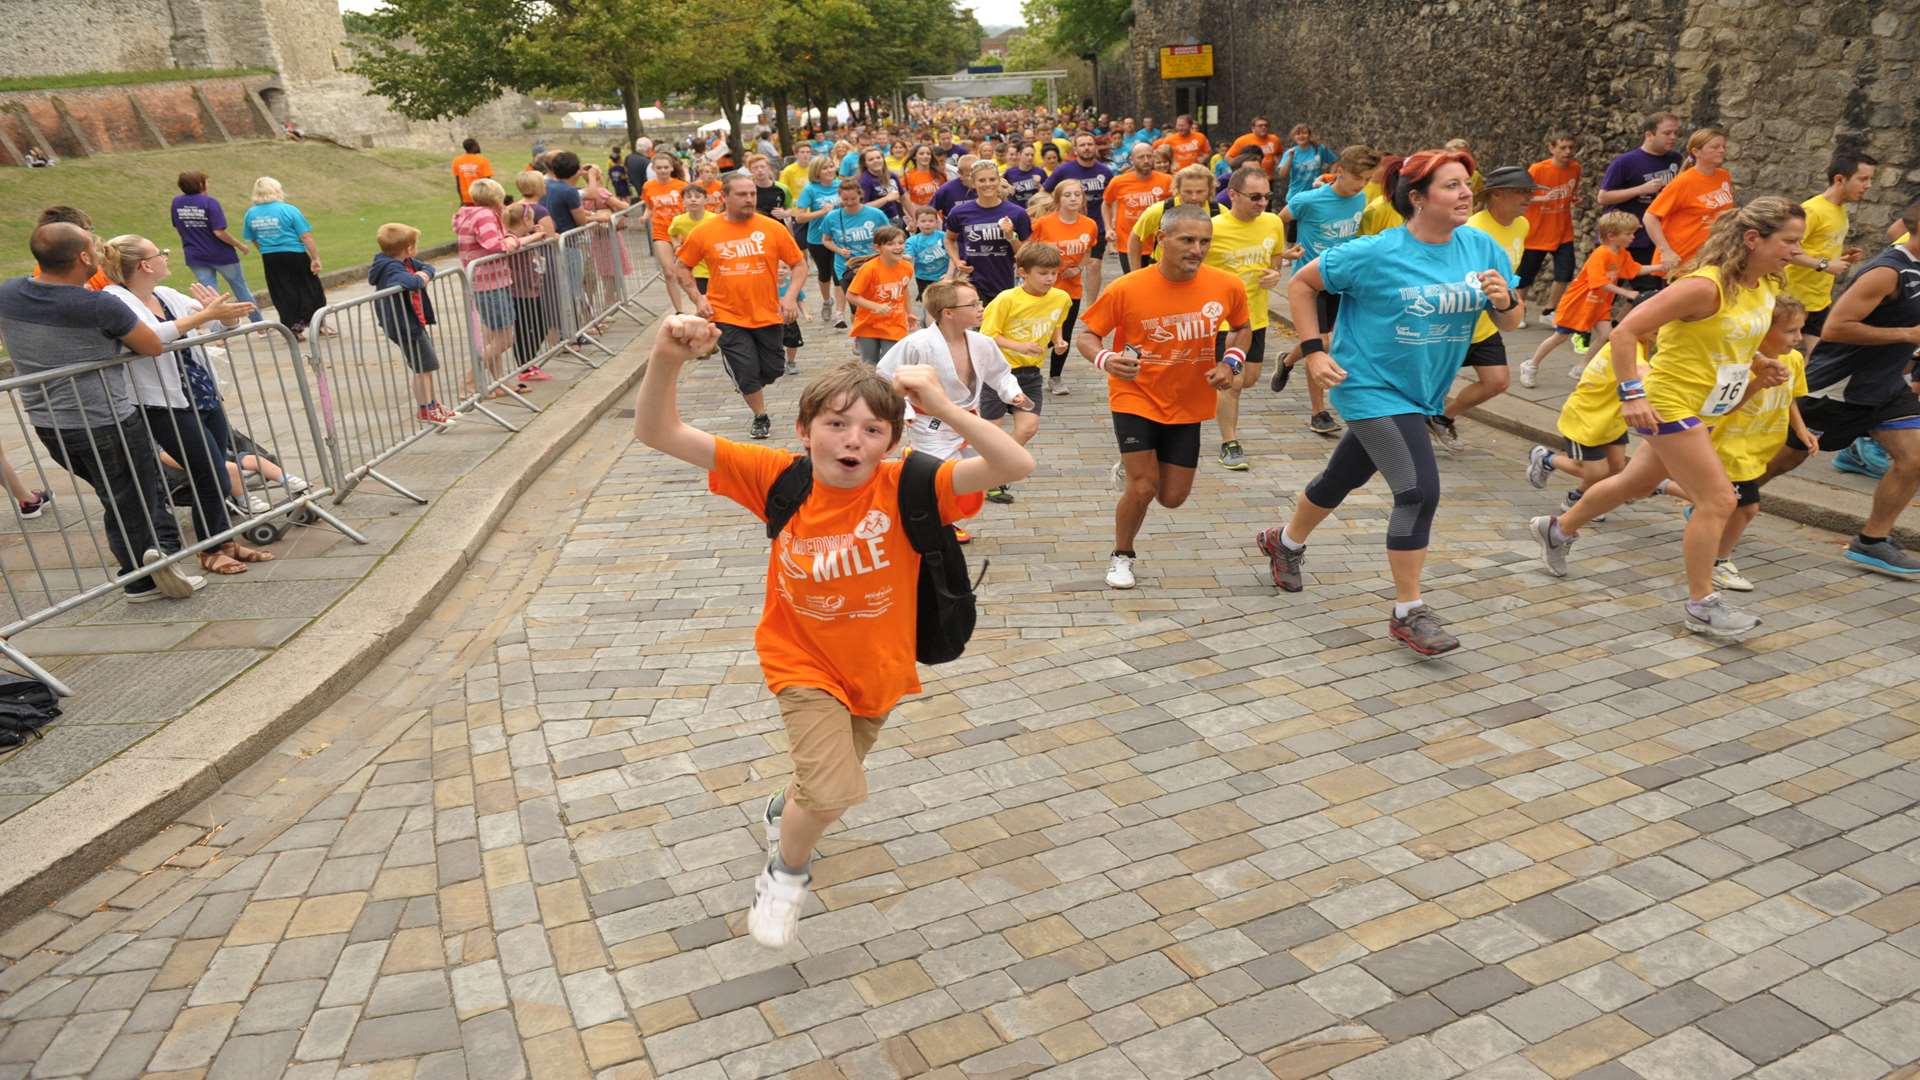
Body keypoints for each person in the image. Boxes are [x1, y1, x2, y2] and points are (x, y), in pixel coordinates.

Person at [632, 315, 1030, 949]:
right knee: (833, 788)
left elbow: (1014, 463)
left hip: (879, 667)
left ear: (892, 441)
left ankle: (778, 813)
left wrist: (944, 408)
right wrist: (666, 355)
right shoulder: (777, 478)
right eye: (836, 424)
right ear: (805, 430)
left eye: (873, 429)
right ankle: (785, 875)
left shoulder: (910, 484)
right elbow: (657, 432)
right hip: (800, 661)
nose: (853, 440)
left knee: (821, 791)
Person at [1255, 149, 1521, 656]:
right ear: (1417, 198)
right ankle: (1408, 612)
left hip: (1421, 388)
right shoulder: (1374, 252)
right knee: (1418, 491)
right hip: (1368, 385)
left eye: (1467, 183)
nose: (1466, 192)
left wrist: (1505, 301)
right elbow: (1303, 284)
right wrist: (1312, 352)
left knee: (1343, 476)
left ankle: (1283, 542)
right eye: (1451, 185)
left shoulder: (1482, 248)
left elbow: (1509, 322)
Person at [1529, 197, 1805, 637]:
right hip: (1668, 401)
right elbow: (1626, 332)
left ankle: (1557, 529)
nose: (1796, 251)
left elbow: (1734, 336)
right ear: (1753, 239)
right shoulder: (1704, 286)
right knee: (1719, 499)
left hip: (1706, 404)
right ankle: (1702, 603)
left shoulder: (1765, 285)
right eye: (1788, 241)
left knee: (1634, 484)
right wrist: (1632, 393)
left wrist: (1757, 363)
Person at [0, 223, 203, 600]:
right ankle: (142, 578)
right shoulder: (98, 305)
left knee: (120, 495)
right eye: (93, 247)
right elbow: (150, 345)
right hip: (104, 419)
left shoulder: (9, 293)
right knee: (131, 498)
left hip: (49, 423)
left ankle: (155, 562)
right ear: (84, 257)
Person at [1077, 204, 1250, 590]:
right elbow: (1087, 335)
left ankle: (1136, 470)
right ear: (1161, 240)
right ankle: (1122, 555)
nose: (1197, 248)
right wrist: (1106, 359)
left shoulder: (1226, 285)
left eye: (1204, 241)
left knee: (1172, 498)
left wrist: (1230, 362)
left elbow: (1242, 327)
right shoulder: (1127, 287)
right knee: (1143, 487)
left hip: (1188, 399)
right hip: (1134, 394)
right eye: (1187, 239)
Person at [98, 234, 273, 576]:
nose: (167, 256)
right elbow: (152, 337)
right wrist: (204, 316)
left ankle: (225, 540)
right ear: (145, 265)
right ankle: (210, 549)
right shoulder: (115, 299)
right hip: (163, 402)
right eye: (160, 252)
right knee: (209, 471)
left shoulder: (164, 294)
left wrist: (227, 317)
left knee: (218, 466)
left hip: (201, 393)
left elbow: (211, 322)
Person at [1767, 204, 1920, 577]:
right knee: (1788, 457)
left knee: (1915, 458)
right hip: (1839, 387)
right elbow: (1835, 328)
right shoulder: (1888, 272)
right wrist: (1906, 336)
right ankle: (1726, 498)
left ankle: (1872, 541)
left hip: (1884, 387)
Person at [671, 173, 807, 440]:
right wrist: (699, 298)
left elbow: (799, 263)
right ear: (724, 197)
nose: (749, 199)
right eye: (742, 195)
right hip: (726, 314)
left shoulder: (772, 228)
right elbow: (682, 266)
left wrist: (790, 296)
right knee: (746, 371)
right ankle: (760, 415)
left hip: (768, 313)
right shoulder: (705, 232)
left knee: (774, 368)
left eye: (752, 194)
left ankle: (748, 383)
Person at [1700, 298, 1811, 591]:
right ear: (1761, 330)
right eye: (1790, 331)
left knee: (1729, 505)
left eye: (1800, 330)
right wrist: (1756, 383)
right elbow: (1724, 408)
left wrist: (1801, 430)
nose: (1798, 338)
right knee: (1748, 508)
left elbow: (1790, 399)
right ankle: (1718, 562)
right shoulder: (1740, 365)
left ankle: (1690, 509)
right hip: (1729, 448)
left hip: (1760, 447)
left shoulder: (1794, 360)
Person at [1272, 147, 1378, 437]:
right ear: (1340, 171)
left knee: (1327, 342)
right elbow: (1276, 219)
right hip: (1312, 282)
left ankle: (1287, 360)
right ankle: (1318, 412)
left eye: (1368, 179)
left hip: (1344, 281)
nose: (1362, 185)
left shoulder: (1360, 198)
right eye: (1358, 177)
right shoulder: (1309, 199)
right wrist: (1282, 251)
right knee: (1320, 343)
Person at [1428, 165, 1534, 449]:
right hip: (1454, 324)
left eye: (1531, 192)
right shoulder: (1470, 228)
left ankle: (1442, 418)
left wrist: (1510, 301)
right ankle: (1403, 435)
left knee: (1497, 382)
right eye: (1522, 192)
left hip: (1487, 324)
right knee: (1428, 388)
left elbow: (1509, 274)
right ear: (1497, 194)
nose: (1530, 198)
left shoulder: (1523, 225)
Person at [1201, 166, 1289, 470]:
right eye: (1255, 197)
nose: (1262, 202)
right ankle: (1230, 443)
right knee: (1232, 384)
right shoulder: (1212, 228)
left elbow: (1276, 255)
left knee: (1247, 380)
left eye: (1267, 196)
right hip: (1224, 322)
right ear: (1234, 195)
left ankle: (1206, 383)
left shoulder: (1273, 223)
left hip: (1257, 317)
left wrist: (1275, 273)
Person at [977, 242, 1068, 501]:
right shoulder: (1006, 299)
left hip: (1029, 374)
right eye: (1042, 273)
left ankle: (996, 471)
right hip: (998, 372)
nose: (1049, 278)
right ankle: (987, 475)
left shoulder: (1060, 298)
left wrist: (1059, 341)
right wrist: (1020, 346)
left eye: (1053, 273)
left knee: (1028, 427)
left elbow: (1056, 322)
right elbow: (987, 335)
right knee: (991, 429)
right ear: (1023, 272)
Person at [1520, 212, 1653, 388]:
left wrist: (1662, 266)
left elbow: (1635, 269)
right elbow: (1599, 281)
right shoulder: (1601, 254)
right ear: (1612, 236)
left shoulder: (1622, 254)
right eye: (1628, 234)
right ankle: (1531, 365)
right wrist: (1626, 293)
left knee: (1606, 335)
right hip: (1579, 303)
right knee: (1560, 336)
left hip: (1599, 304)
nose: (1633, 237)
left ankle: (1581, 367)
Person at [1782, 152, 1875, 354]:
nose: (1868, 185)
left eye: (1870, 179)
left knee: (1815, 358)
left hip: (1818, 300)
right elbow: (1787, 251)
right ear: (1839, 179)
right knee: (1784, 354)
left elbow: (1815, 250)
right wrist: (1826, 265)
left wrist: (1841, 259)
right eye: (1863, 179)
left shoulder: (1840, 210)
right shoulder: (1812, 210)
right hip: (1792, 297)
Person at [369, 223, 457, 425]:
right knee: (422, 367)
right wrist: (421, 278)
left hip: (413, 321)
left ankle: (433, 404)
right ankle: (425, 408)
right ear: (408, 248)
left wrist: (423, 274)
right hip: (404, 325)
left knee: (427, 365)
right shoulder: (391, 267)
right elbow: (412, 282)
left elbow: (426, 267)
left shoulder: (404, 261)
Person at [1598, 111, 1683, 298]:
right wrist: (1640, 189)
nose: (1673, 137)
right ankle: (1574, 326)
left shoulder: (1675, 160)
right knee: (1602, 293)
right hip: (1621, 238)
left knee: (1650, 294)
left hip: (1651, 238)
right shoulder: (1625, 162)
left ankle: (1618, 325)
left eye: (1676, 133)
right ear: (1649, 135)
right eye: (1667, 133)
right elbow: (1603, 197)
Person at [454, 178, 525, 399]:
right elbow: (496, 244)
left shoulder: (477, 214)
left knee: (494, 336)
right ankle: (470, 378)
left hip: (489, 280)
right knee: (504, 338)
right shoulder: (484, 216)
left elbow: (502, 236)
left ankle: (499, 382)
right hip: (489, 281)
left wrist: (510, 237)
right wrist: (512, 242)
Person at [1030, 179, 1099, 397]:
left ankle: (1055, 377)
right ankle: (1024, 367)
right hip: (1043, 289)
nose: (1073, 199)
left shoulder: (1089, 224)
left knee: (1064, 334)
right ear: (1058, 199)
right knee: (1042, 332)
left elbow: (1088, 250)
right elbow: (1028, 248)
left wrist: (1078, 267)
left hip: (1071, 288)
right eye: (1068, 195)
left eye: (1077, 194)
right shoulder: (1044, 223)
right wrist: (1046, 265)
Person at [171, 171, 262, 323]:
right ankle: (259, 324)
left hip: (195, 255)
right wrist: (239, 245)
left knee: (211, 297)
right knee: (240, 289)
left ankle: (219, 331)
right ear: (200, 184)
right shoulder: (209, 202)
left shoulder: (176, 202)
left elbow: (178, 226)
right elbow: (219, 232)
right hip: (222, 254)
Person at [242, 177, 327, 338]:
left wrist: (265, 249)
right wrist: (315, 258)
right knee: (310, 289)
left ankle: (293, 327)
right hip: (294, 254)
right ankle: (317, 323)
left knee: (282, 292)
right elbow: (305, 236)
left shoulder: (251, 213)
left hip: (270, 257)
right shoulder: (288, 210)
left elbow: (252, 237)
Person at [1644, 128, 1734, 272]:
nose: (1722, 150)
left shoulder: (1723, 176)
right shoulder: (1683, 182)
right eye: (1715, 147)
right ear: (1696, 152)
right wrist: (1666, 251)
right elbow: (1649, 217)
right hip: (1683, 260)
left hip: (1713, 257)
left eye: (1723, 146)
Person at [945, 162, 1031, 305]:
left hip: (1004, 280)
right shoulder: (960, 212)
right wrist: (956, 261)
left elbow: (1025, 254)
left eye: (992, 179)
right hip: (972, 281)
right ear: (973, 183)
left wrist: (1011, 236)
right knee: (978, 324)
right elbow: (949, 239)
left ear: (999, 180)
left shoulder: (1017, 213)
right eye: (982, 180)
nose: (987, 184)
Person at [1517, 133, 1582, 321]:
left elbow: (1571, 191)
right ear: (1551, 148)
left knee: (1565, 272)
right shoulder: (1537, 169)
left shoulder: (1575, 168)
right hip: (1536, 232)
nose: (1568, 152)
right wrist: (1543, 198)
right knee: (1525, 276)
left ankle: (1549, 311)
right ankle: (1519, 311)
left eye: (1571, 147)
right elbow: (1522, 197)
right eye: (1563, 147)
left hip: (1563, 231)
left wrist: (1574, 198)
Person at [1043, 133, 1113, 301]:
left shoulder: (1105, 171)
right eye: (1082, 145)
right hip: (1067, 226)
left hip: (1096, 226)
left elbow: (1111, 200)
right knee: (1066, 267)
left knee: (1094, 265)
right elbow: (1044, 192)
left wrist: (1112, 223)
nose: (1087, 148)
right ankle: (1060, 300)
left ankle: (1091, 306)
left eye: (1090, 144)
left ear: (1095, 147)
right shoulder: (1064, 170)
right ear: (1075, 149)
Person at [820, 179, 890, 326]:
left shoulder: (876, 214)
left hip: (873, 264)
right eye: (845, 199)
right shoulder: (832, 217)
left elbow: (889, 236)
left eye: (853, 198)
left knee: (876, 302)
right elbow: (826, 240)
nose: (850, 202)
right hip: (847, 268)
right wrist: (839, 250)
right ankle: (859, 337)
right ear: (839, 197)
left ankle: (878, 331)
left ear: (860, 195)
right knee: (856, 308)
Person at [845, 226, 915, 364]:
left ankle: (888, 385)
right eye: (890, 244)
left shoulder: (907, 267)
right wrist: (876, 306)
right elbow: (851, 295)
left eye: (900, 243)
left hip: (895, 323)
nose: (897, 247)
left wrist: (909, 313)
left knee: (890, 363)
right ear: (878, 248)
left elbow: (904, 290)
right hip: (869, 324)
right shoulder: (869, 269)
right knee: (870, 365)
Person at [1128, 165, 1216, 271]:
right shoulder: (1160, 210)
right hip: (1163, 273)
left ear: (1210, 190)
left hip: (1204, 273)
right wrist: (1135, 272)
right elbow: (1135, 238)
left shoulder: (1218, 212)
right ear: (1177, 189)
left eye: (1200, 192)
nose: (1194, 197)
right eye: (1187, 192)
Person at [1103, 150, 1171, 274]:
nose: (1146, 160)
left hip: (1159, 244)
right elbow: (1106, 203)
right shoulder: (1118, 182)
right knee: (1133, 283)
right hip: (1127, 243)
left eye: (1149, 156)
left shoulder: (1167, 181)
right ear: (1132, 160)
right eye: (1141, 157)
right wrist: (1108, 228)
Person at [793, 156, 843, 324]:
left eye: (831, 167)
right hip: (817, 239)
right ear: (817, 172)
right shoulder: (810, 190)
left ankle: (839, 313)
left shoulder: (840, 186)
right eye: (824, 168)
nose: (829, 170)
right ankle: (827, 301)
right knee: (824, 274)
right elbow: (799, 217)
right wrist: (821, 212)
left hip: (839, 237)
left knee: (838, 274)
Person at [1275, 125, 1335, 211]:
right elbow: (1282, 174)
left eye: (1304, 133)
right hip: (1296, 195)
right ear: (1293, 137)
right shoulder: (1290, 152)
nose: (1301, 136)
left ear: (1309, 135)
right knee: (1294, 224)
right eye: (1298, 134)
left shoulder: (1319, 149)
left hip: (1315, 194)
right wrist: (1290, 158)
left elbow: (1334, 162)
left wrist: (1331, 177)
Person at [904, 206, 953, 308]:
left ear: (936, 222)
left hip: (942, 275)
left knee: (944, 302)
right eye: (923, 221)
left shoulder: (943, 236)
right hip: (923, 277)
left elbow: (953, 254)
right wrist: (901, 255)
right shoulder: (913, 241)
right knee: (927, 302)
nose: (927, 223)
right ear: (917, 223)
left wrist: (949, 274)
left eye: (931, 221)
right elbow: (909, 255)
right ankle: (928, 319)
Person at [856, 148, 905, 225]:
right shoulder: (864, 181)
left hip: (895, 217)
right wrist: (886, 199)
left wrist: (913, 217)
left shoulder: (892, 175)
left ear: (883, 159)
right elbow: (862, 207)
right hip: (876, 222)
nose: (876, 161)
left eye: (878, 158)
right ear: (865, 163)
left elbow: (903, 197)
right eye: (871, 159)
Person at [1002, 144, 1046, 208]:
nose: (1030, 157)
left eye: (1032, 155)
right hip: (1016, 210)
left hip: (1035, 210)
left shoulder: (1040, 172)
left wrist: (1039, 185)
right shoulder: (1009, 173)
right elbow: (1002, 193)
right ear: (1019, 155)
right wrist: (1009, 190)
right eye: (1027, 155)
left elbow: (1047, 195)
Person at [453, 138, 492, 206]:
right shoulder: (482, 161)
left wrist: (462, 200)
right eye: (477, 145)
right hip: (480, 199)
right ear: (474, 147)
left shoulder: (457, 161)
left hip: (466, 200)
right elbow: (487, 183)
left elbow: (458, 184)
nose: (479, 147)